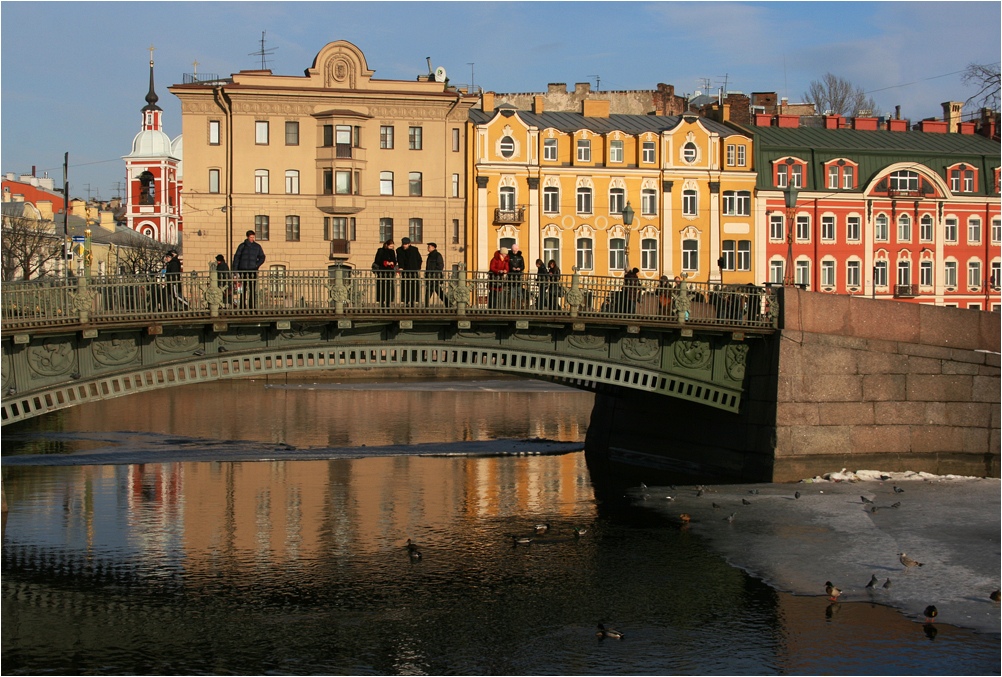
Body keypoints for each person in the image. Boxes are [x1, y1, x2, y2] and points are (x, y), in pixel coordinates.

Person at [232, 230, 266, 309]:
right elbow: (236, 258)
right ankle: (242, 306)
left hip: (252, 270)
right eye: (251, 237)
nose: (252, 239)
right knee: (242, 289)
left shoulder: (257, 246)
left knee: (252, 289)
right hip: (242, 270)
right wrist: (235, 271)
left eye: (253, 237)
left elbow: (262, 257)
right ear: (247, 237)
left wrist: (257, 265)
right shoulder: (242, 246)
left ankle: (252, 306)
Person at [397, 237, 423, 307]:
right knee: (405, 287)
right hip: (405, 272)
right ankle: (405, 301)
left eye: (406, 244)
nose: (404, 246)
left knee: (413, 287)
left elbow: (419, 259)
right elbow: (399, 260)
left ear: (409, 244)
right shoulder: (399, 250)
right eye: (403, 244)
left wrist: (417, 268)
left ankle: (412, 301)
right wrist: (401, 267)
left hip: (413, 271)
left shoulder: (414, 250)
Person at [372, 239, 397, 307]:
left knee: (389, 287)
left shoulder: (392, 252)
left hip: (390, 272)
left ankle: (388, 302)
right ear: (387, 245)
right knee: (382, 287)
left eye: (392, 246)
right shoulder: (381, 251)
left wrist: (392, 263)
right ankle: (381, 302)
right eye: (390, 246)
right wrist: (385, 262)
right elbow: (377, 260)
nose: (392, 248)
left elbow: (394, 260)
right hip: (382, 271)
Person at [424, 242, 448, 307]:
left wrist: (434, 274)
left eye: (429, 247)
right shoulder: (430, 256)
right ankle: (448, 303)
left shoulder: (437, 255)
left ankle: (448, 303)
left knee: (436, 291)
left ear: (433, 247)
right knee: (431, 291)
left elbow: (440, 266)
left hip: (435, 277)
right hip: (430, 277)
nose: (428, 248)